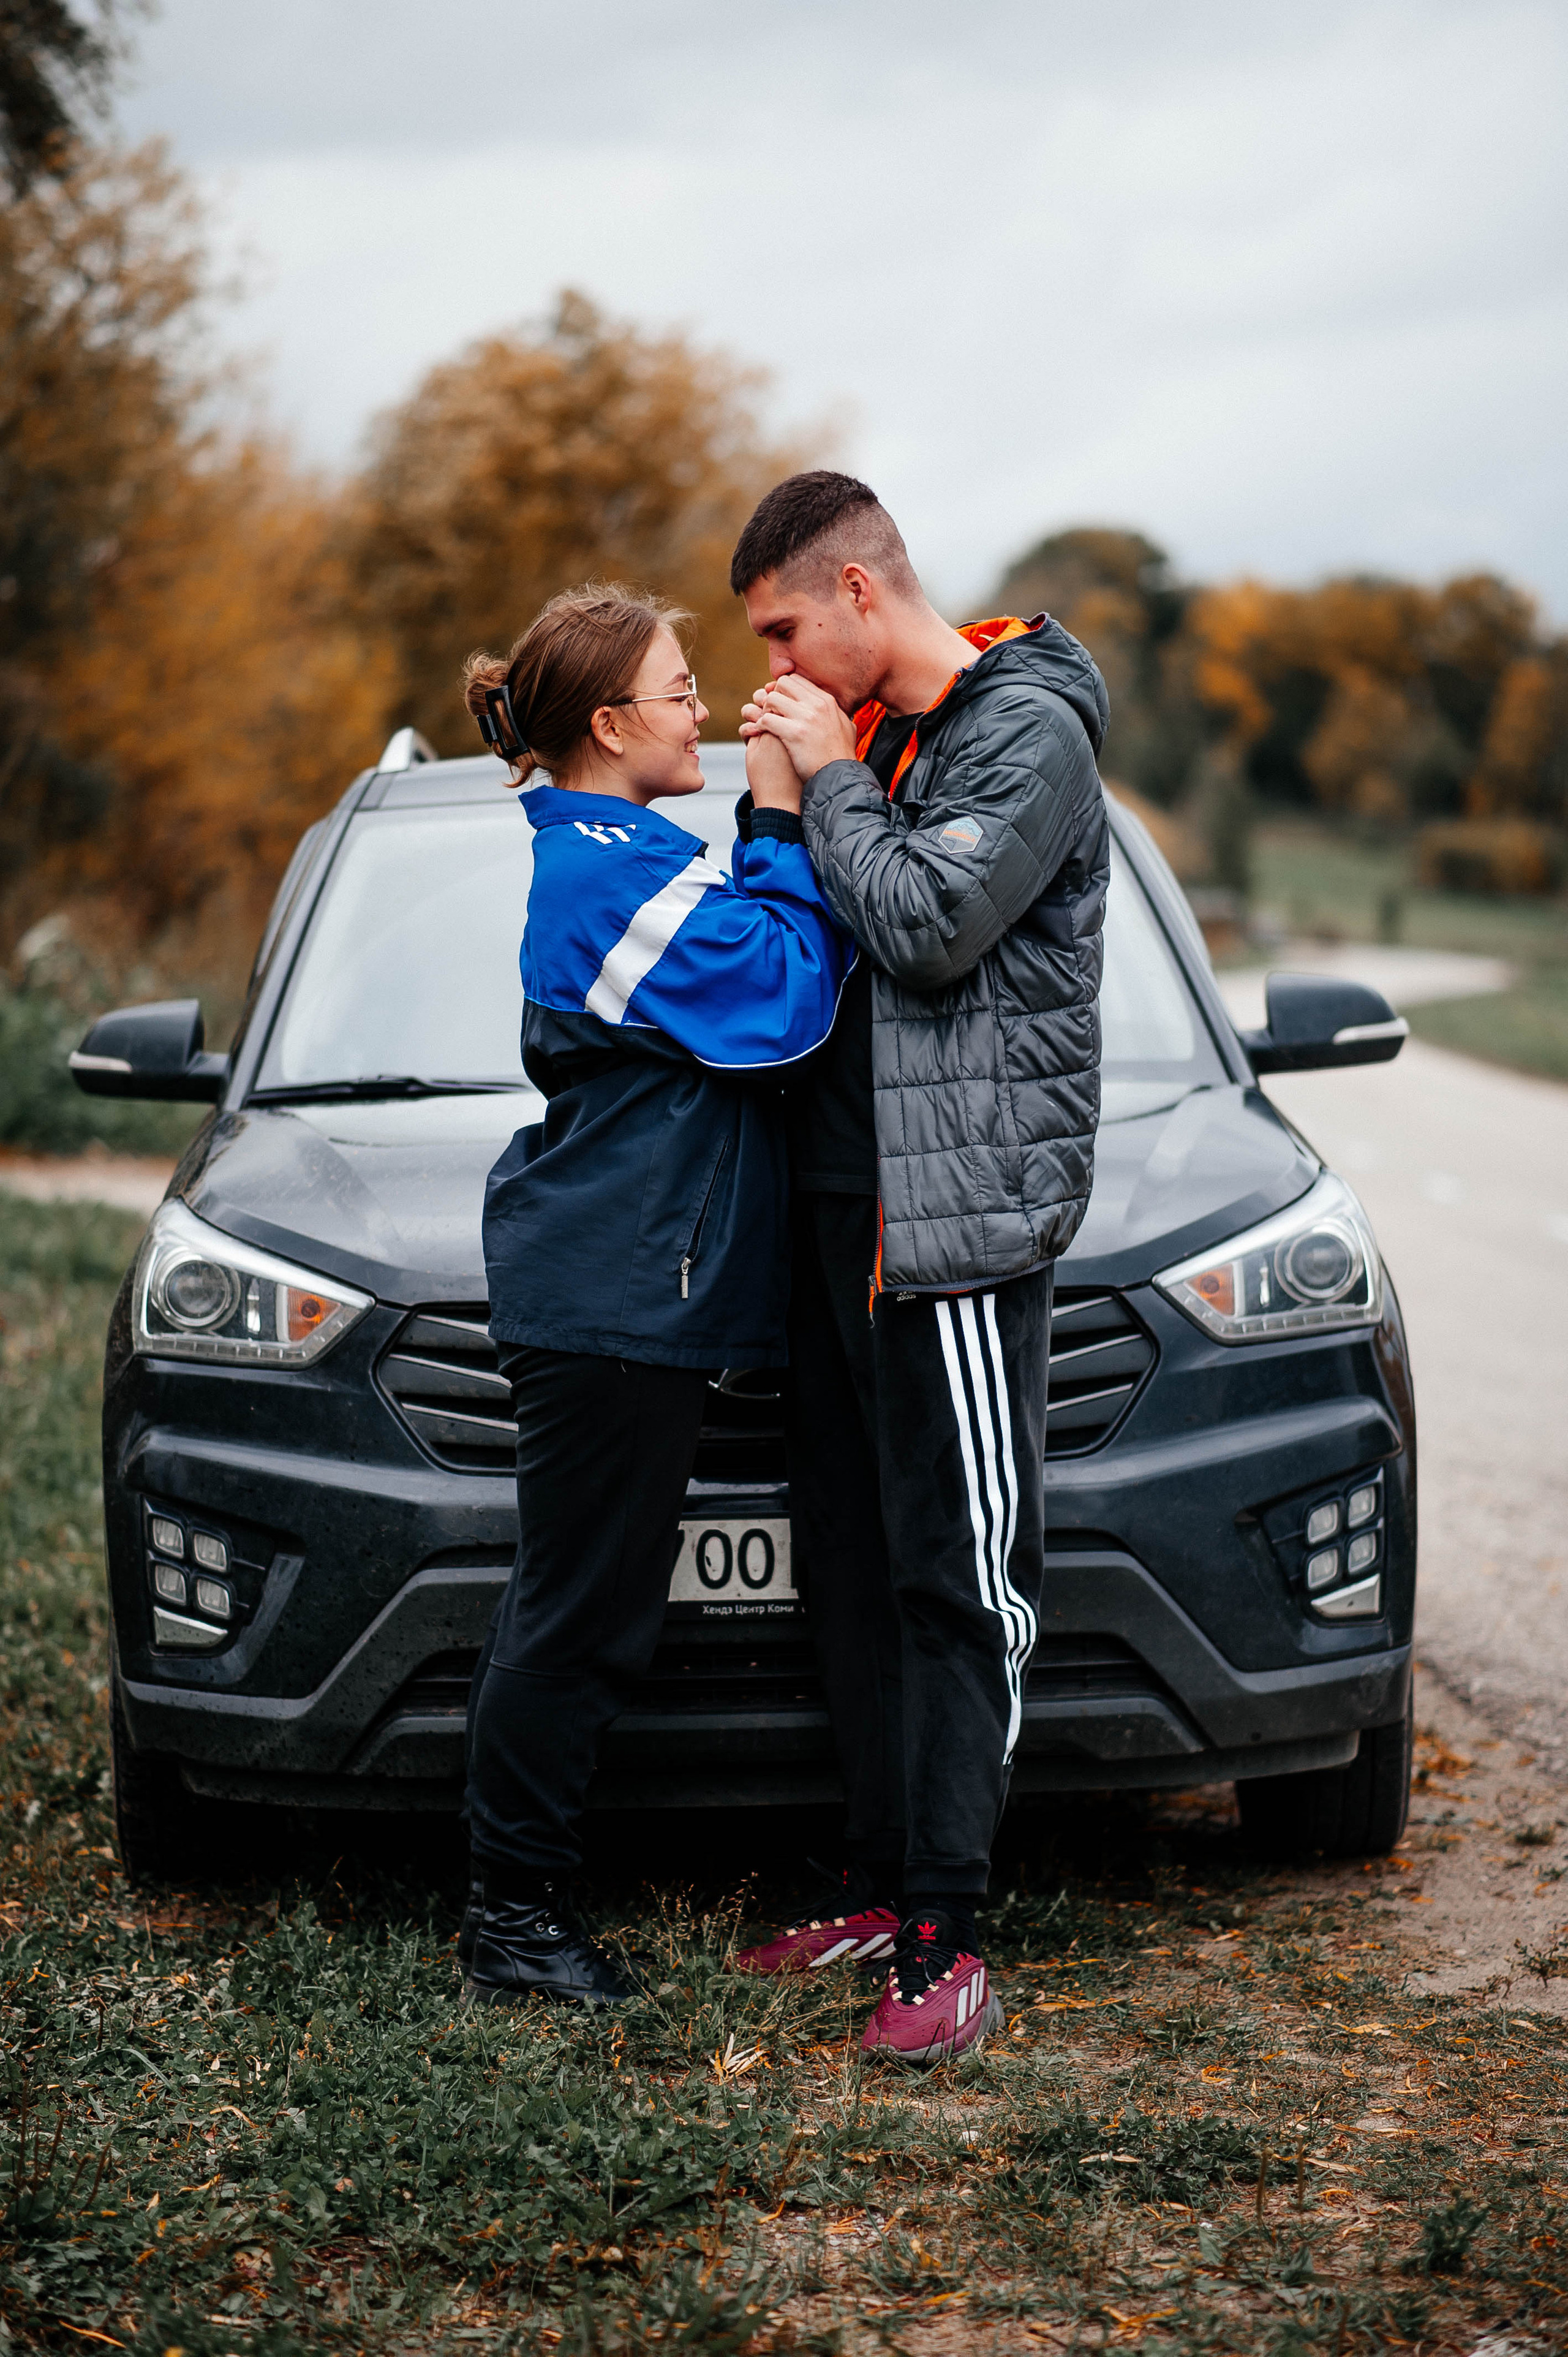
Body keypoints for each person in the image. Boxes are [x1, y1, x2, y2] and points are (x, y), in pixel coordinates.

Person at [729, 473, 1110, 2065]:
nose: (772, 665)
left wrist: (824, 783)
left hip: (948, 1230)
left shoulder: (1028, 735)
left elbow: (935, 922)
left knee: (962, 1586)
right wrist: (781, 792)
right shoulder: (859, 744)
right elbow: (780, 959)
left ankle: (950, 1932)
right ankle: (879, 1880)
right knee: (860, 1569)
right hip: (832, 1213)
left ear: (861, 595)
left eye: (782, 631)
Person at [458, 584, 853, 2007]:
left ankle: (520, 1904)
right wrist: (781, 811)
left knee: (581, 1611)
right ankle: (512, 1925)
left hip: (632, 1288)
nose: (706, 707)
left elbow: (755, 966)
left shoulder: (626, 849)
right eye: (683, 689)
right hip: (608, 1295)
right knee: (575, 1619)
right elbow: (789, 1001)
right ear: (609, 722)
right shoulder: (599, 874)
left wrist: (757, 827)